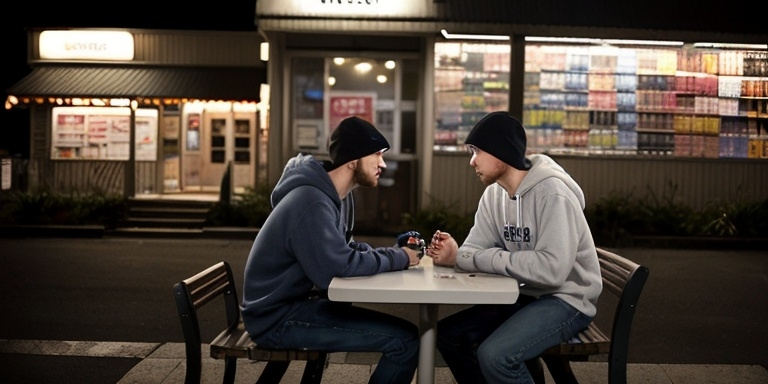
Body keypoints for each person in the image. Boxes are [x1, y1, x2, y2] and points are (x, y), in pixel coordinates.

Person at [240, 116, 422, 384]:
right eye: (376, 155)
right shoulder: (311, 201)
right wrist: (400, 257)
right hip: (279, 320)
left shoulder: (335, 196)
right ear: (353, 160)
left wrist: (396, 253)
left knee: (407, 337)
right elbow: (337, 267)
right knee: (405, 342)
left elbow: (345, 250)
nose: (382, 163)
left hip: (295, 307)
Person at [426, 111, 602, 384]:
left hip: (567, 300)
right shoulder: (494, 194)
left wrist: (471, 257)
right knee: (449, 336)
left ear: (501, 151)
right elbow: (473, 250)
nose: (472, 161)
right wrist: (454, 254)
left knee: (496, 356)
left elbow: (552, 271)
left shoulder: (553, 193)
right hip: (525, 296)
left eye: (477, 151)